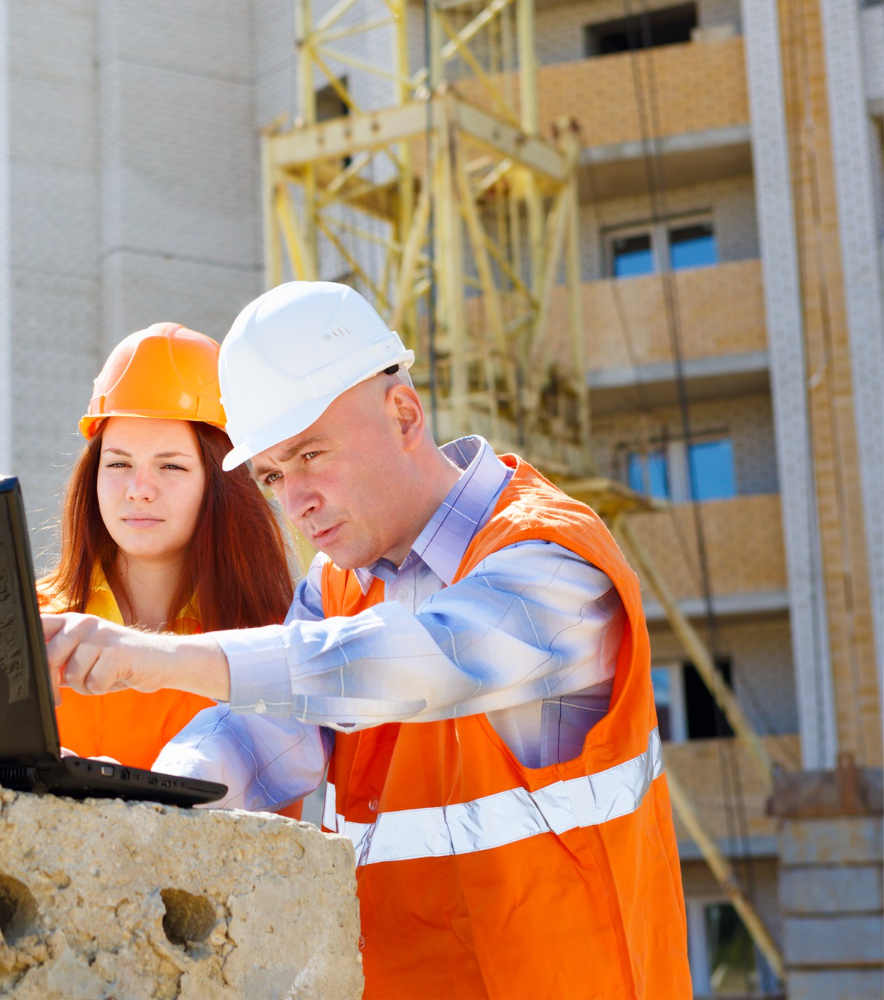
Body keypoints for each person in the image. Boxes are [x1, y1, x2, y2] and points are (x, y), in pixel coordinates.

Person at [42, 283, 691, 999]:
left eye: (312, 455)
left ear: (403, 413)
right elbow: (257, 739)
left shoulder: (554, 560)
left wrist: (154, 658)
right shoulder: (338, 587)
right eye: (273, 476)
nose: (296, 501)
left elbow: (415, 663)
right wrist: (134, 804)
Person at [40, 322, 298, 792]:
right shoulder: (29, 625)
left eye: (171, 466)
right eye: (118, 463)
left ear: (224, 484)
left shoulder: (276, 645)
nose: (138, 490)